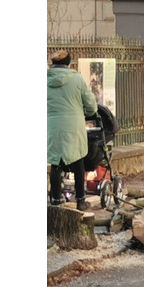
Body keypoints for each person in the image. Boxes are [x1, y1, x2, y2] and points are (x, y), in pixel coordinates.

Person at [48, 49, 98, 209]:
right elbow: (91, 105)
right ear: (69, 63)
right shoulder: (77, 79)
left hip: (52, 126)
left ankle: (55, 200)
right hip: (74, 125)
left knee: (56, 163)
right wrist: (88, 113)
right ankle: (81, 200)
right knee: (78, 161)